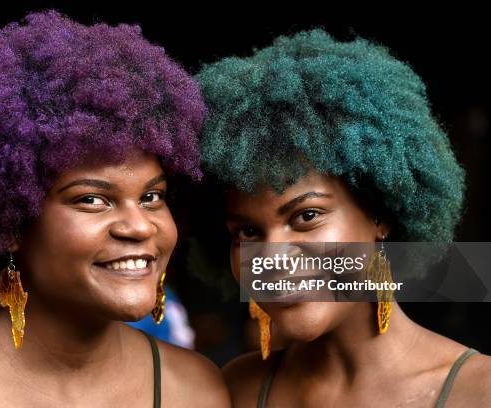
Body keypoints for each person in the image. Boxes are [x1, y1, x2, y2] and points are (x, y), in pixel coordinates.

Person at [0, 11, 229, 407]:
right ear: (8, 223)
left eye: (152, 197)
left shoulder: (197, 389)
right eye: (92, 200)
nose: (139, 227)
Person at [195, 29, 491, 407]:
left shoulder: (479, 391)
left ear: (380, 213)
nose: (272, 258)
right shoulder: (233, 391)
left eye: (307, 216)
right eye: (248, 231)